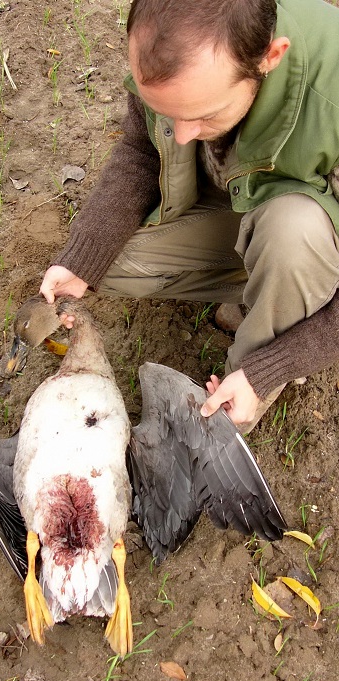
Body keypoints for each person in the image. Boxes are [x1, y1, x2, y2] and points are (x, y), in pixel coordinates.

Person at [39, 0, 339, 431]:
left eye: (202, 115)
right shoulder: (167, 40)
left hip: (306, 238)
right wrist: (81, 259)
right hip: (243, 206)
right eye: (168, 113)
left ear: (269, 57)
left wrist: (268, 370)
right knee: (110, 264)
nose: (182, 135)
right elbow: (141, 152)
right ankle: (264, 286)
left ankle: (236, 404)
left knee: (293, 235)